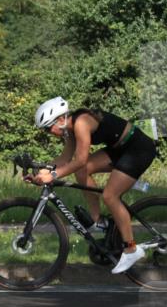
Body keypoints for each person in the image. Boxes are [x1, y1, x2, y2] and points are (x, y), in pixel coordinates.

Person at [30, 97, 158, 274]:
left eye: (47, 127)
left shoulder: (81, 123)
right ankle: (98, 221)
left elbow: (80, 160)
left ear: (60, 120)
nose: (48, 132)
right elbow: (64, 160)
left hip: (138, 149)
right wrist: (40, 172)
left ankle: (131, 249)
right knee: (81, 172)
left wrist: (52, 175)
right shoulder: (70, 130)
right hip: (119, 149)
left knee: (110, 196)